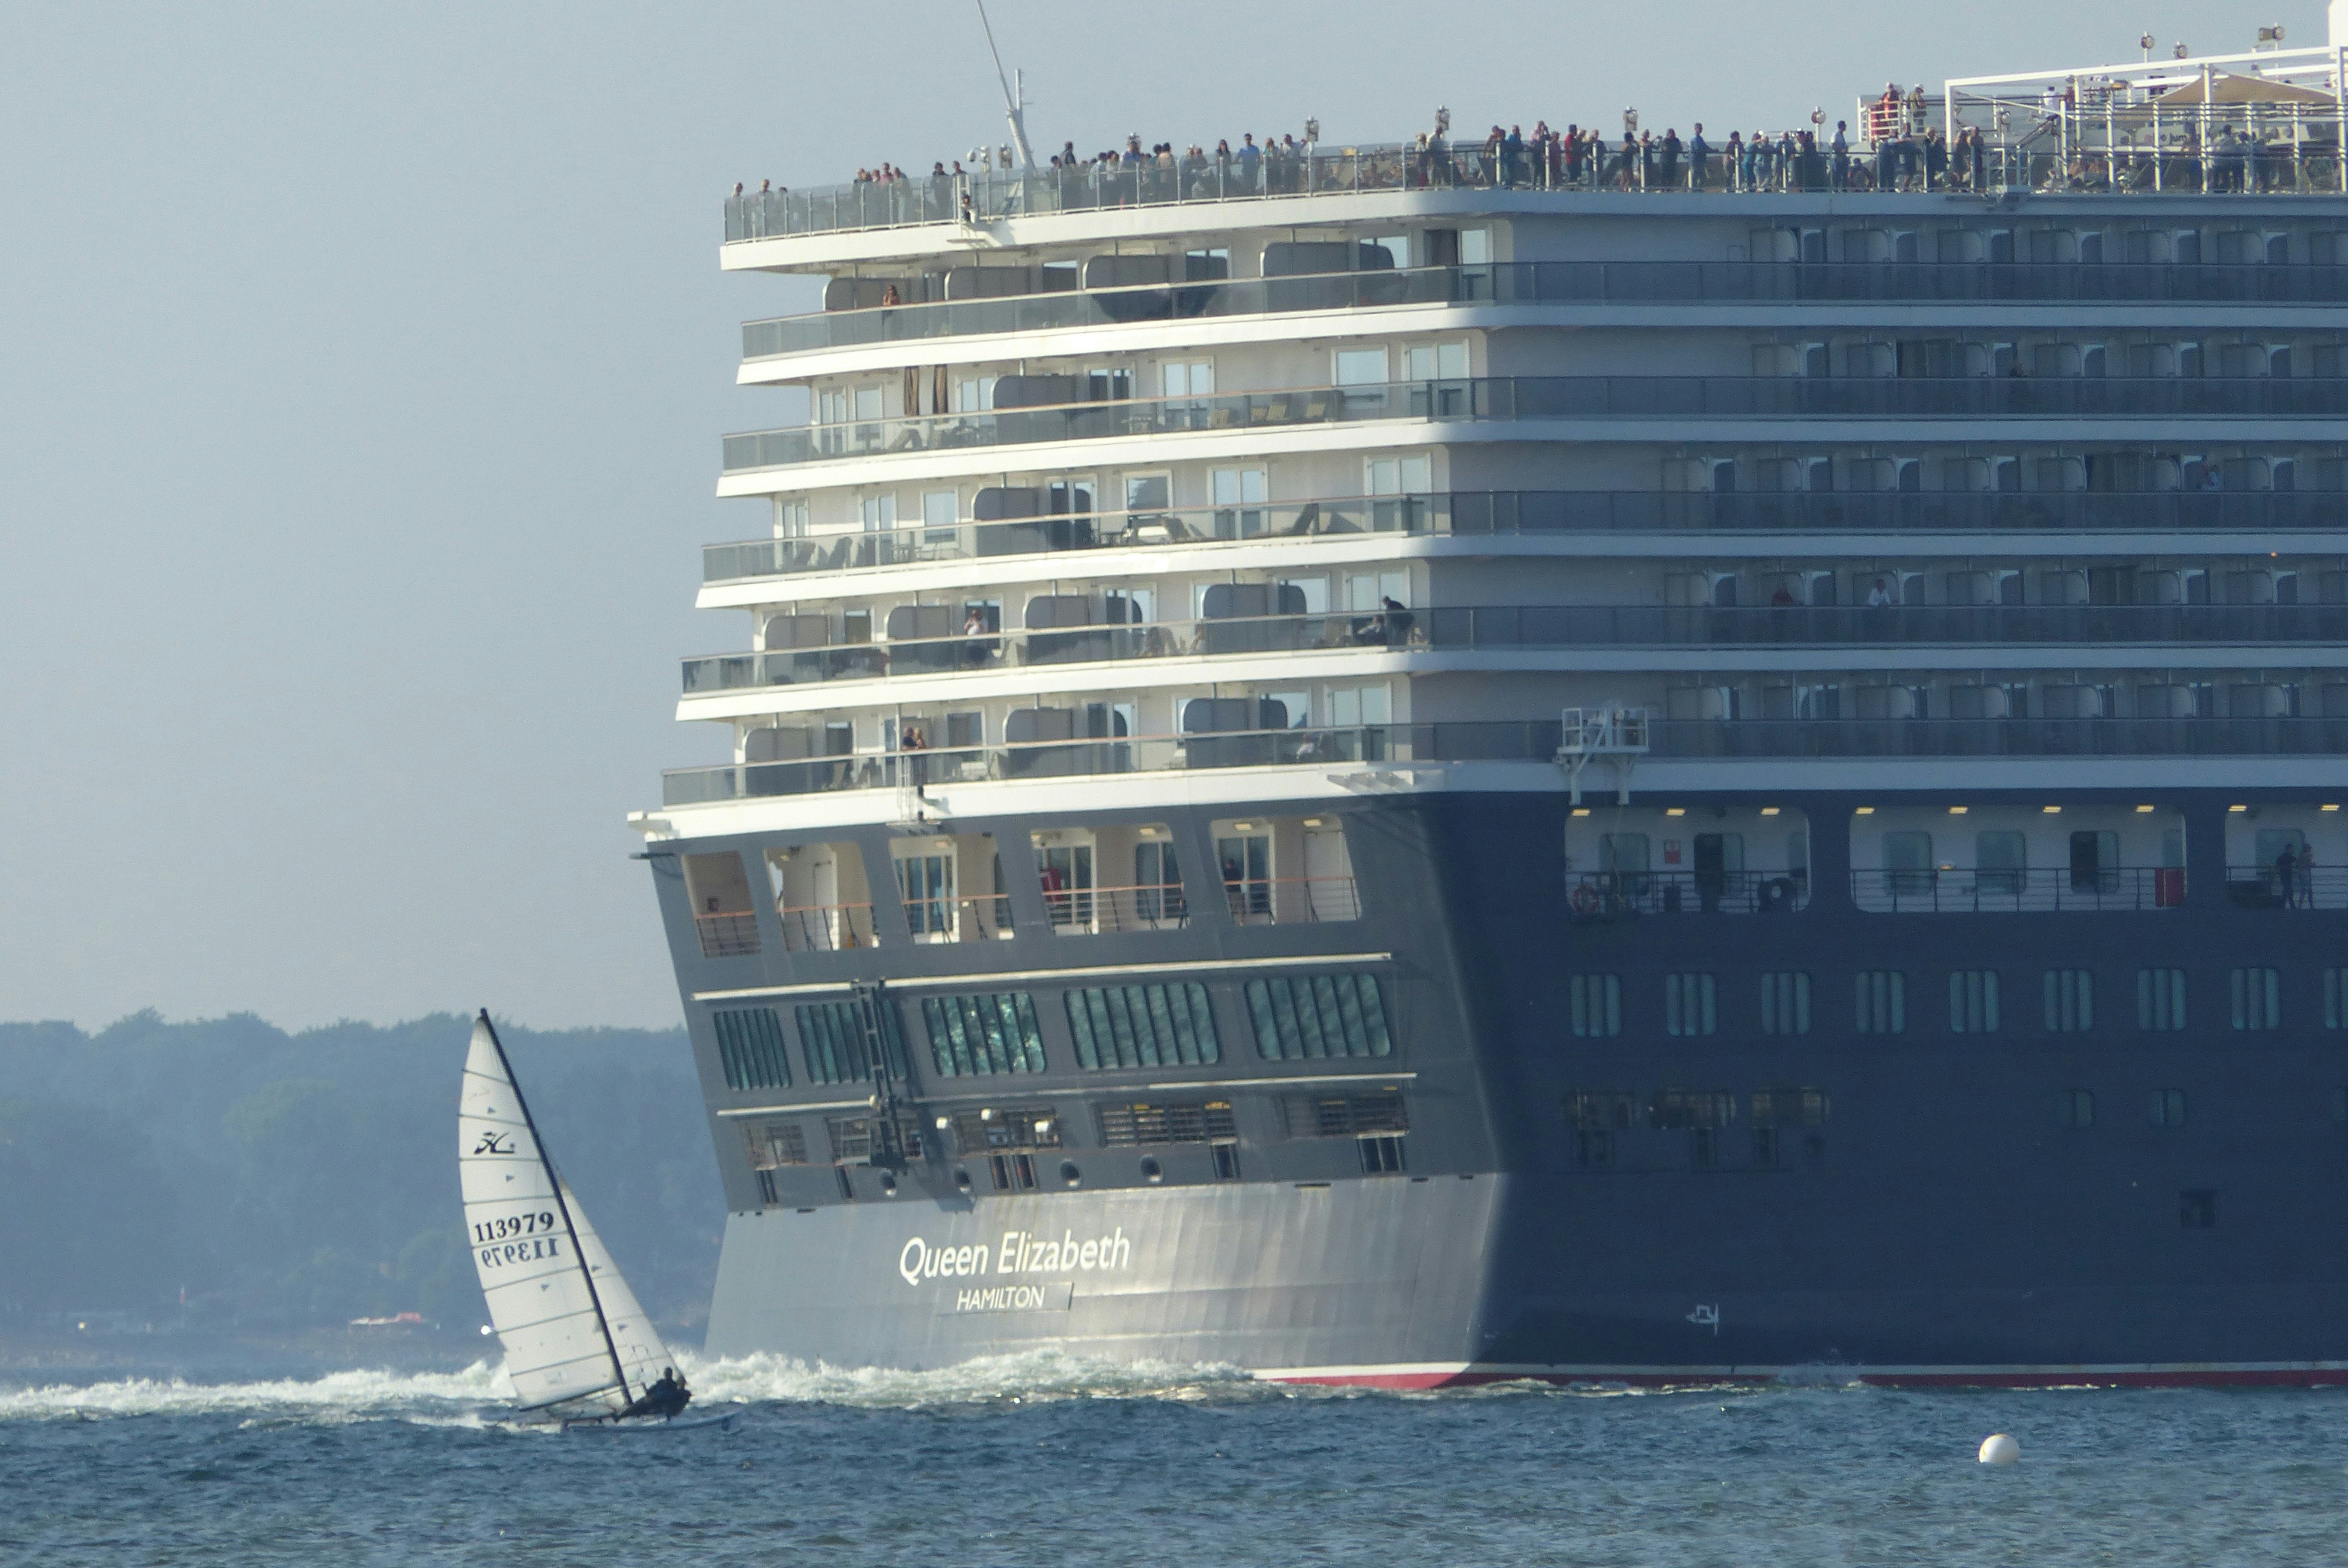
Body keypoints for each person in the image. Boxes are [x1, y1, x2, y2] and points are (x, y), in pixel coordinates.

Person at [625, 1366, 691, 1421]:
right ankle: (621, 1416)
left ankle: (625, 1415)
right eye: (667, 1373)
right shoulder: (661, 1383)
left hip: (661, 1405)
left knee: (642, 1407)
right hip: (654, 1402)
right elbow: (650, 1391)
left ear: (671, 1374)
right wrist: (646, 1391)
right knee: (640, 1404)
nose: (667, 1375)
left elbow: (676, 1399)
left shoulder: (674, 1386)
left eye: (668, 1373)